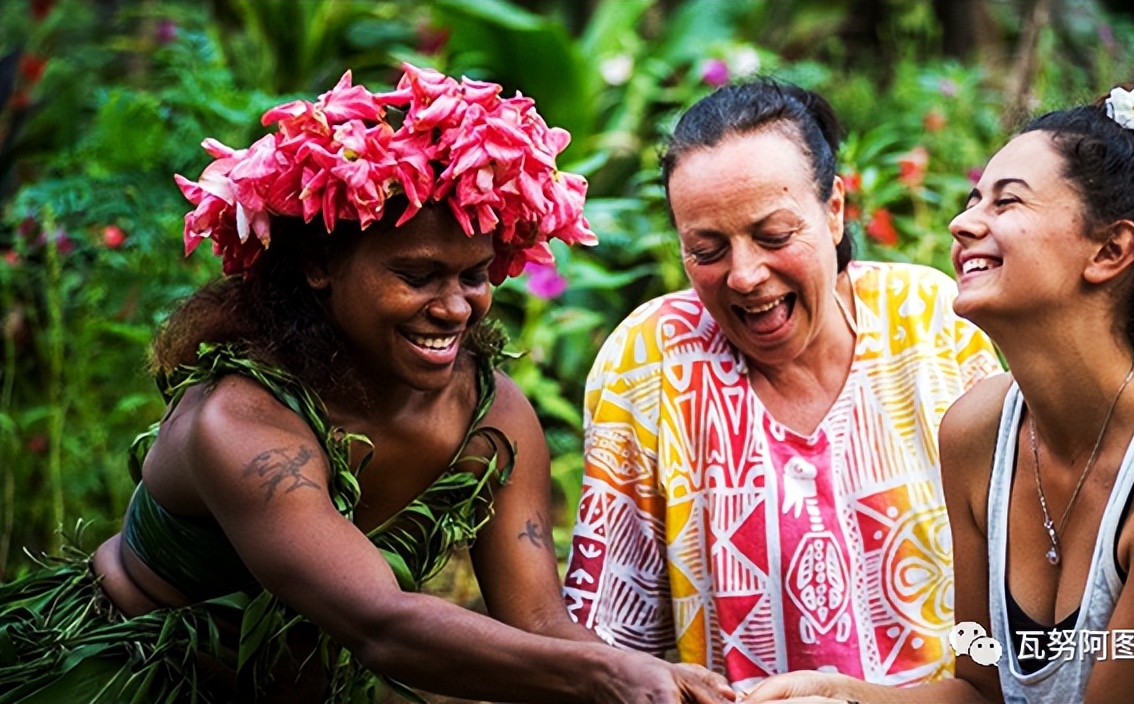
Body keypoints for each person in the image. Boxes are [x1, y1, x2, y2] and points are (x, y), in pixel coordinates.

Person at [0, 64, 736, 704]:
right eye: (417, 276)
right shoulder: (241, 420)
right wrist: (606, 677)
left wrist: (656, 678)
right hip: (122, 681)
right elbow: (380, 624)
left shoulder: (490, 418)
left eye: (474, 276)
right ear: (319, 265)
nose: (455, 307)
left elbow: (540, 623)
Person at [742, 79, 1134, 703]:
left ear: (1111, 250)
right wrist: (842, 694)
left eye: (1007, 202)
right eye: (975, 200)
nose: (961, 223)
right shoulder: (977, 432)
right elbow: (980, 684)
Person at [562, 78, 1002, 695]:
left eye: (773, 236)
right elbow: (611, 632)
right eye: (707, 250)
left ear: (835, 209)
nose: (744, 276)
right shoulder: (651, 359)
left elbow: (1014, 587)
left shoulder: (930, 322)